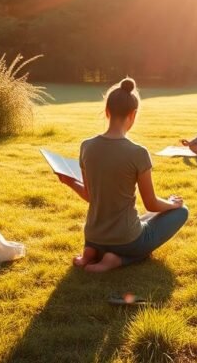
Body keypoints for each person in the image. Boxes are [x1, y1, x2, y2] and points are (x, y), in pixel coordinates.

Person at [58, 77, 188, 273]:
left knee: (145, 218)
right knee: (181, 212)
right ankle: (114, 260)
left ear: (107, 111)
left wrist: (69, 181)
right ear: (133, 114)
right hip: (125, 239)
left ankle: (90, 253)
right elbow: (151, 203)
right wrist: (172, 204)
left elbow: (89, 196)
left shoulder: (86, 146)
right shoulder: (138, 153)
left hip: (93, 234)